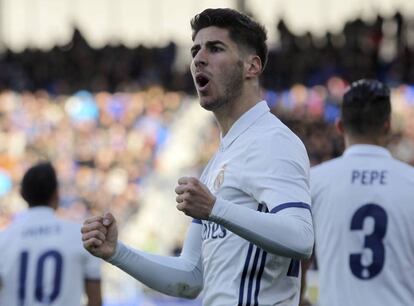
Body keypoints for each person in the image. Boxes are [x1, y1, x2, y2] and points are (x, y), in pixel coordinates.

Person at [82, 8, 314, 306]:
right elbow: (191, 278)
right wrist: (117, 253)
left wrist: (215, 208)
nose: (198, 59)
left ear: (251, 67)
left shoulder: (273, 141)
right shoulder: (221, 158)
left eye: (215, 48)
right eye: (195, 50)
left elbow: (301, 237)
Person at [303, 79, 414, 306]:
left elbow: (295, 263)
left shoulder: (314, 181)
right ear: (388, 125)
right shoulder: (410, 181)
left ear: (340, 126)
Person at [0, 162, 102, 306]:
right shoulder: (81, 236)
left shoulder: (4, 239)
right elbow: (95, 301)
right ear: (56, 194)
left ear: (22, 194)